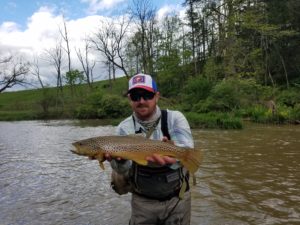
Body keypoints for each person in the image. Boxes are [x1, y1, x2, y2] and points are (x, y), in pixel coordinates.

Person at [106, 73, 194, 225]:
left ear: (157, 96)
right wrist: (119, 161)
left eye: (147, 95)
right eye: (135, 96)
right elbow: (121, 170)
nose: (141, 101)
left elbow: (188, 151)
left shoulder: (175, 118)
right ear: (129, 99)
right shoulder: (123, 128)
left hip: (178, 199)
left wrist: (173, 157)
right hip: (143, 203)